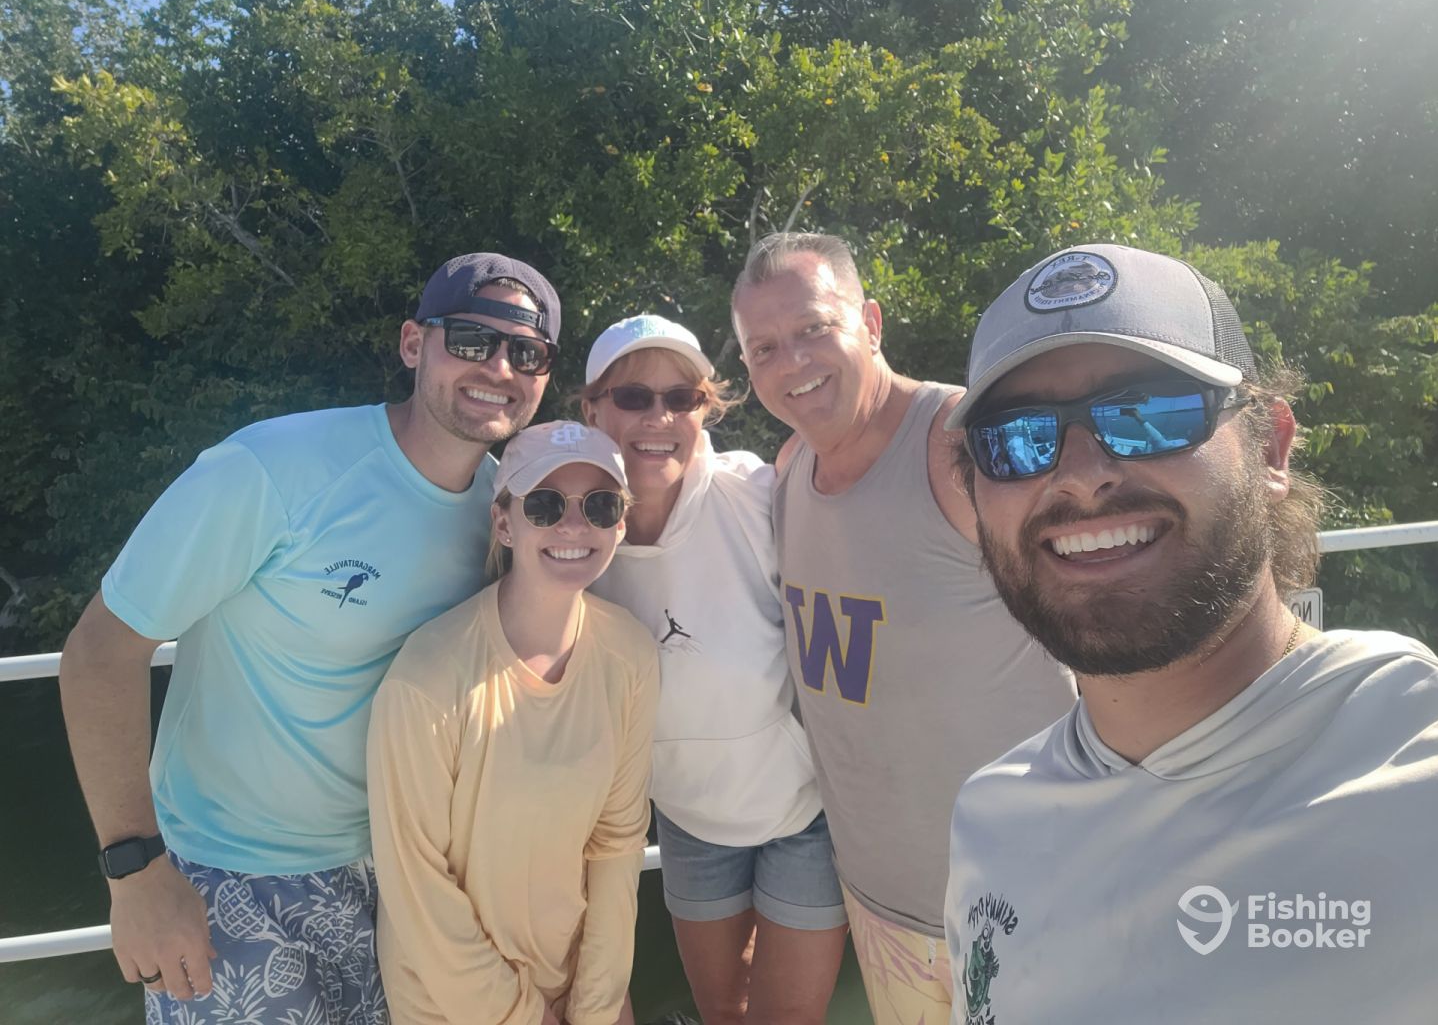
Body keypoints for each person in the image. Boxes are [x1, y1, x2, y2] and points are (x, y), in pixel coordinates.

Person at [58, 252, 561, 1022]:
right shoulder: (273, 468)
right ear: (413, 344)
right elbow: (100, 652)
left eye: (526, 353)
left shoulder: (507, 512)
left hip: (397, 879)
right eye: (470, 339)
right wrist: (136, 873)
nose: (498, 367)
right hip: (227, 881)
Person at [943, 243, 1438, 1022]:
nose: (1081, 473)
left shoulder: (1414, 763)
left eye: (1149, 413)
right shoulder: (989, 818)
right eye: (1016, 438)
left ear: (1271, 448)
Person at [729, 233, 1076, 1025]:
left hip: (1036, 899)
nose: (792, 362)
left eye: (814, 328)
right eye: (764, 348)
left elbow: (1113, 630)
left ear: (872, 323)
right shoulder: (788, 472)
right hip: (885, 910)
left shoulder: (962, 444)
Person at [581, 315, 848, 1024]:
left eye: (682, 398)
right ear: (593, 410)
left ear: (706, 409)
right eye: (633, 397)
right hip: (687, 820)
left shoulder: (758, 495)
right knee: (721, 1012)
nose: (658, 418)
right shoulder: (568, 529)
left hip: (805, 813)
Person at [367, 421, 659, 1025]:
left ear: (620, 524)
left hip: (574, 991)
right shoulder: (427, 678)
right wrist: (522, 1016)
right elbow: (417, 884)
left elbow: (618, 842)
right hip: (449, 1005)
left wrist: (596, 1005)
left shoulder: (630, 654)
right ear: (504, 522)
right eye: (545, 505)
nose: (573, 526)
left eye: (600, 506)